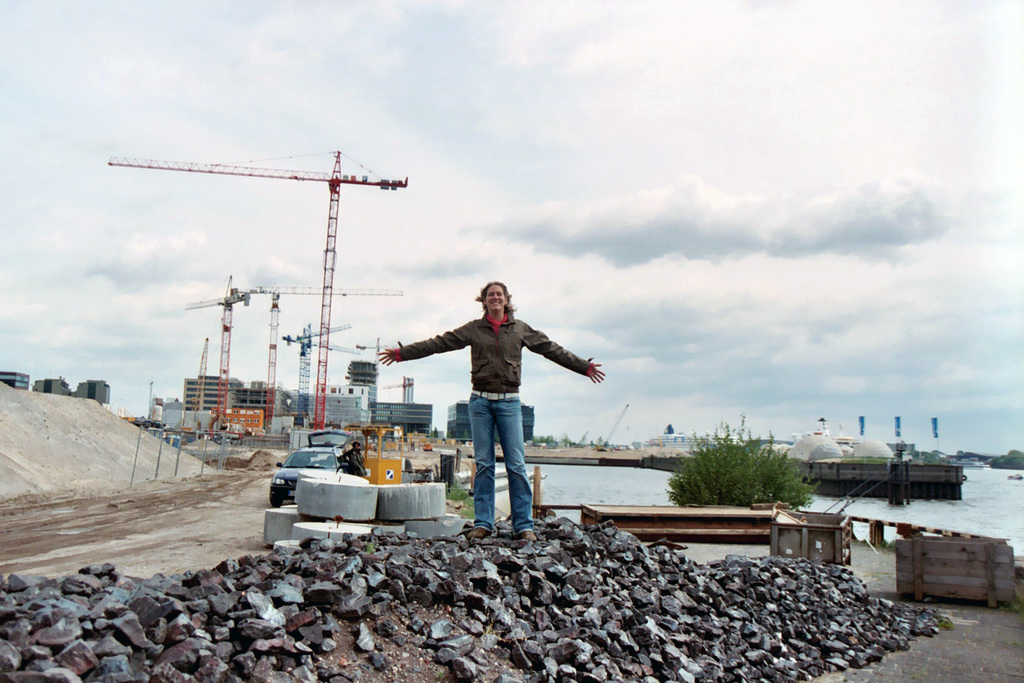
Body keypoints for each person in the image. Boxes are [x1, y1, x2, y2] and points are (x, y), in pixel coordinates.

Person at [379, 281, 604, 541]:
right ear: (483, 301)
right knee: (484, 465)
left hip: (509, 403)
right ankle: (484, 523)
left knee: (517, 465)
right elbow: (438, 343)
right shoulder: (474, 330)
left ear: (507, 300)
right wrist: (402, 353)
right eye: (490, 295)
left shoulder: (520, 330)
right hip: (480, 403)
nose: (495, 298)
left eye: (499, 294)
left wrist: (583, 368)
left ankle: (524, 526)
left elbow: (551, 349)